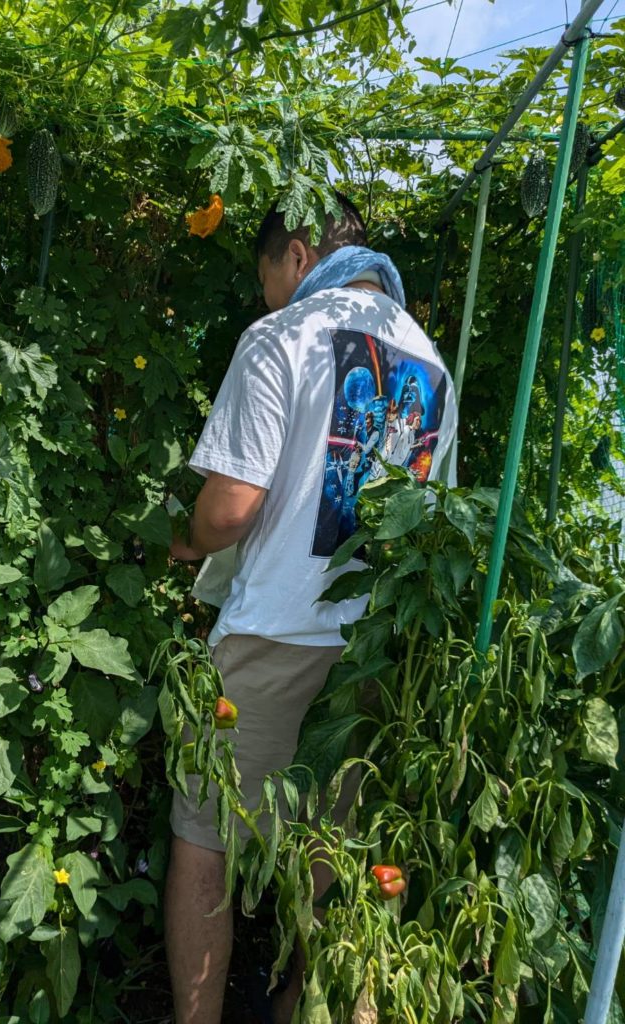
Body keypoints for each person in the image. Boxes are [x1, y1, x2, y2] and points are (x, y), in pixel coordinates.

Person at [166, 193, 458, 1024]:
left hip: (272, 633)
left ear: (296, 255)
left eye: (266, 276)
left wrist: (185, 541)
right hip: (372, 648)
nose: (266, 296)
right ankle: (304, 1005)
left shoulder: (282, 335)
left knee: (207, 836)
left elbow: (230, 509)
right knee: (332, 846)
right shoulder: (432, 362)